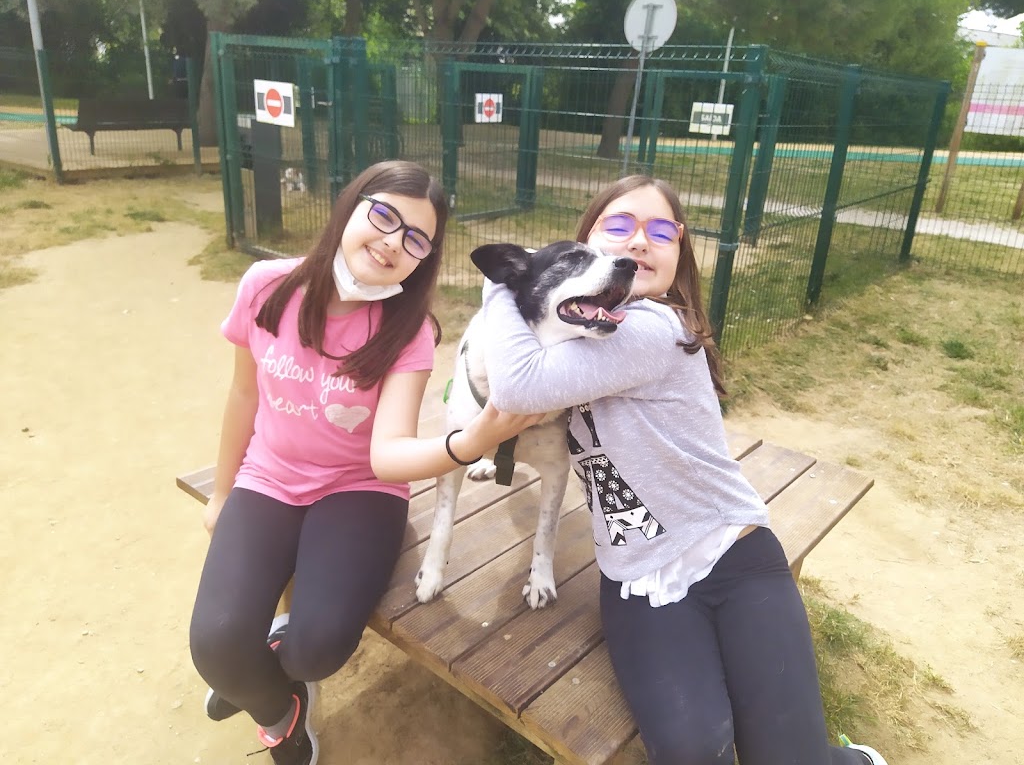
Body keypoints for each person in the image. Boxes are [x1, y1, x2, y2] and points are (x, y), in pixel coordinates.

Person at [479, 175, 888, 765]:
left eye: (661, 231)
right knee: (694, 751)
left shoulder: (651, 327)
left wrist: (503, 285)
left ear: (679, 254)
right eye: (620, 225)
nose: (639, 241)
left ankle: (854, 760)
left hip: (731, 554)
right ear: (587, 246)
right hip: (636, 575)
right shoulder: (582, 330)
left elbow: (516, 387)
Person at [189, 160, 541, 765]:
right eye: (384, 216)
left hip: (360, 491)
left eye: (416, 239)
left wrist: (473, 440)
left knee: (316, 650)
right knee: (217, 648)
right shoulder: (268, 286)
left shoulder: (409, 331)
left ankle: (272, 665)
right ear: (350, 205)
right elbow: (244, 395)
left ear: (423, 260)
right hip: (269, 479)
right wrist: (222, 494)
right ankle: (280, 714)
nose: (393, 242)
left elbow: (388, 455)